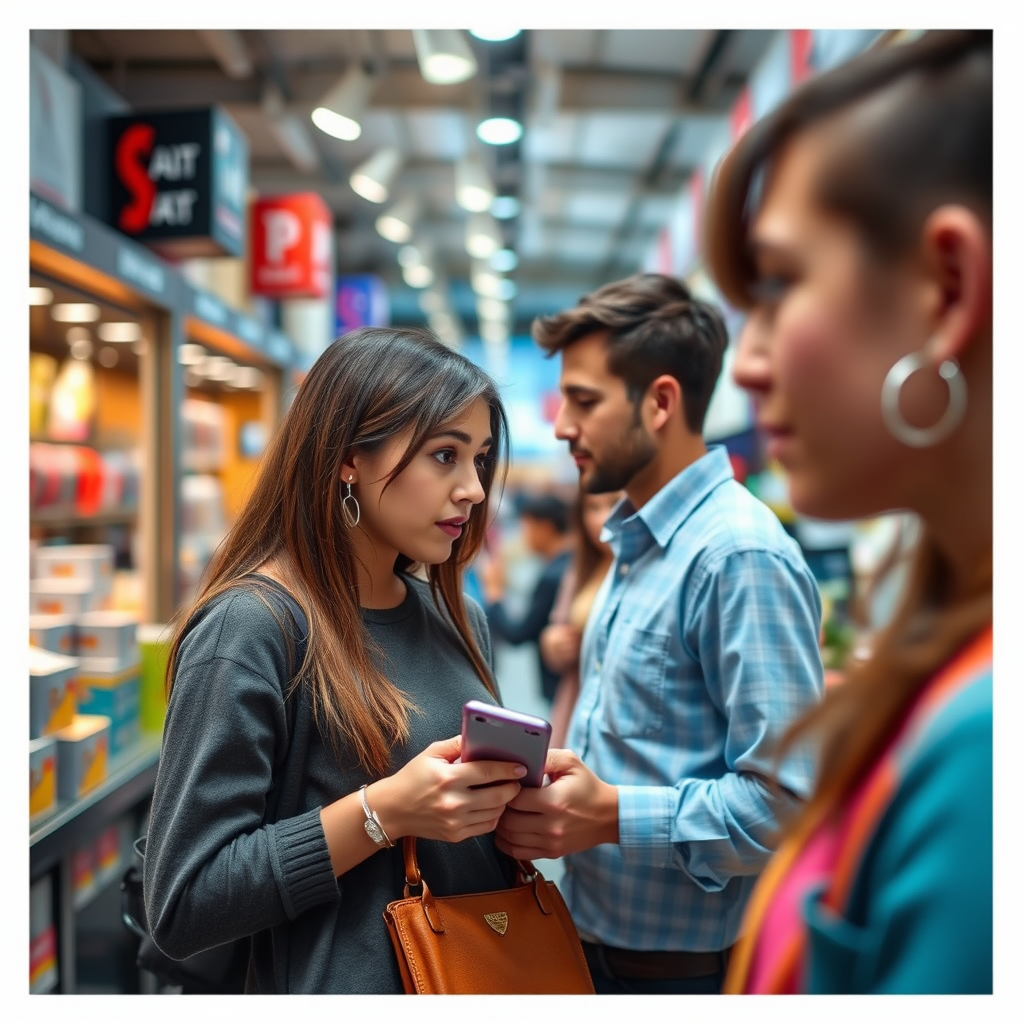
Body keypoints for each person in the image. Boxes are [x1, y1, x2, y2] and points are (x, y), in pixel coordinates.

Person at [703, 29, 992, 994]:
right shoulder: (944, 657)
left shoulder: (989, 746)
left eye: (780, 284)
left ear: (948, 289)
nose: (746, 363)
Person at [143, 326, 534, 994]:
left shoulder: (458, 618)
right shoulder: (251, 628)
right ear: (349, 457)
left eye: (480, 459)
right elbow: (184, 902)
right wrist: (383, 813)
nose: (472, 488)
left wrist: (525, 809)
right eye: (445, 456)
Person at [496, 271, 826, 994]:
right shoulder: (637, 544)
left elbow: (787, 802)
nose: (560, 426)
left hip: (680, 979)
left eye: (584, 401)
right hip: (592, 946)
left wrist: (611, 816)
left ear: (661, 402)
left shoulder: (738, 555)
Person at [540, 488, 621, 747]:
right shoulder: (582, 565)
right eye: (592, 508)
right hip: (575, 702)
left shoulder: (644, 566)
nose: (601, 519)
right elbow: (557, 626)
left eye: (614, 504)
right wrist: (553, 642)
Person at [480, 492, 574, 704]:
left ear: (545, 528)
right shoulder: (570, 564)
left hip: (562, 687)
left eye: (526, 528)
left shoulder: (552, 576)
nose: (524, 537)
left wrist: (495, 593)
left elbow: (517, 634)